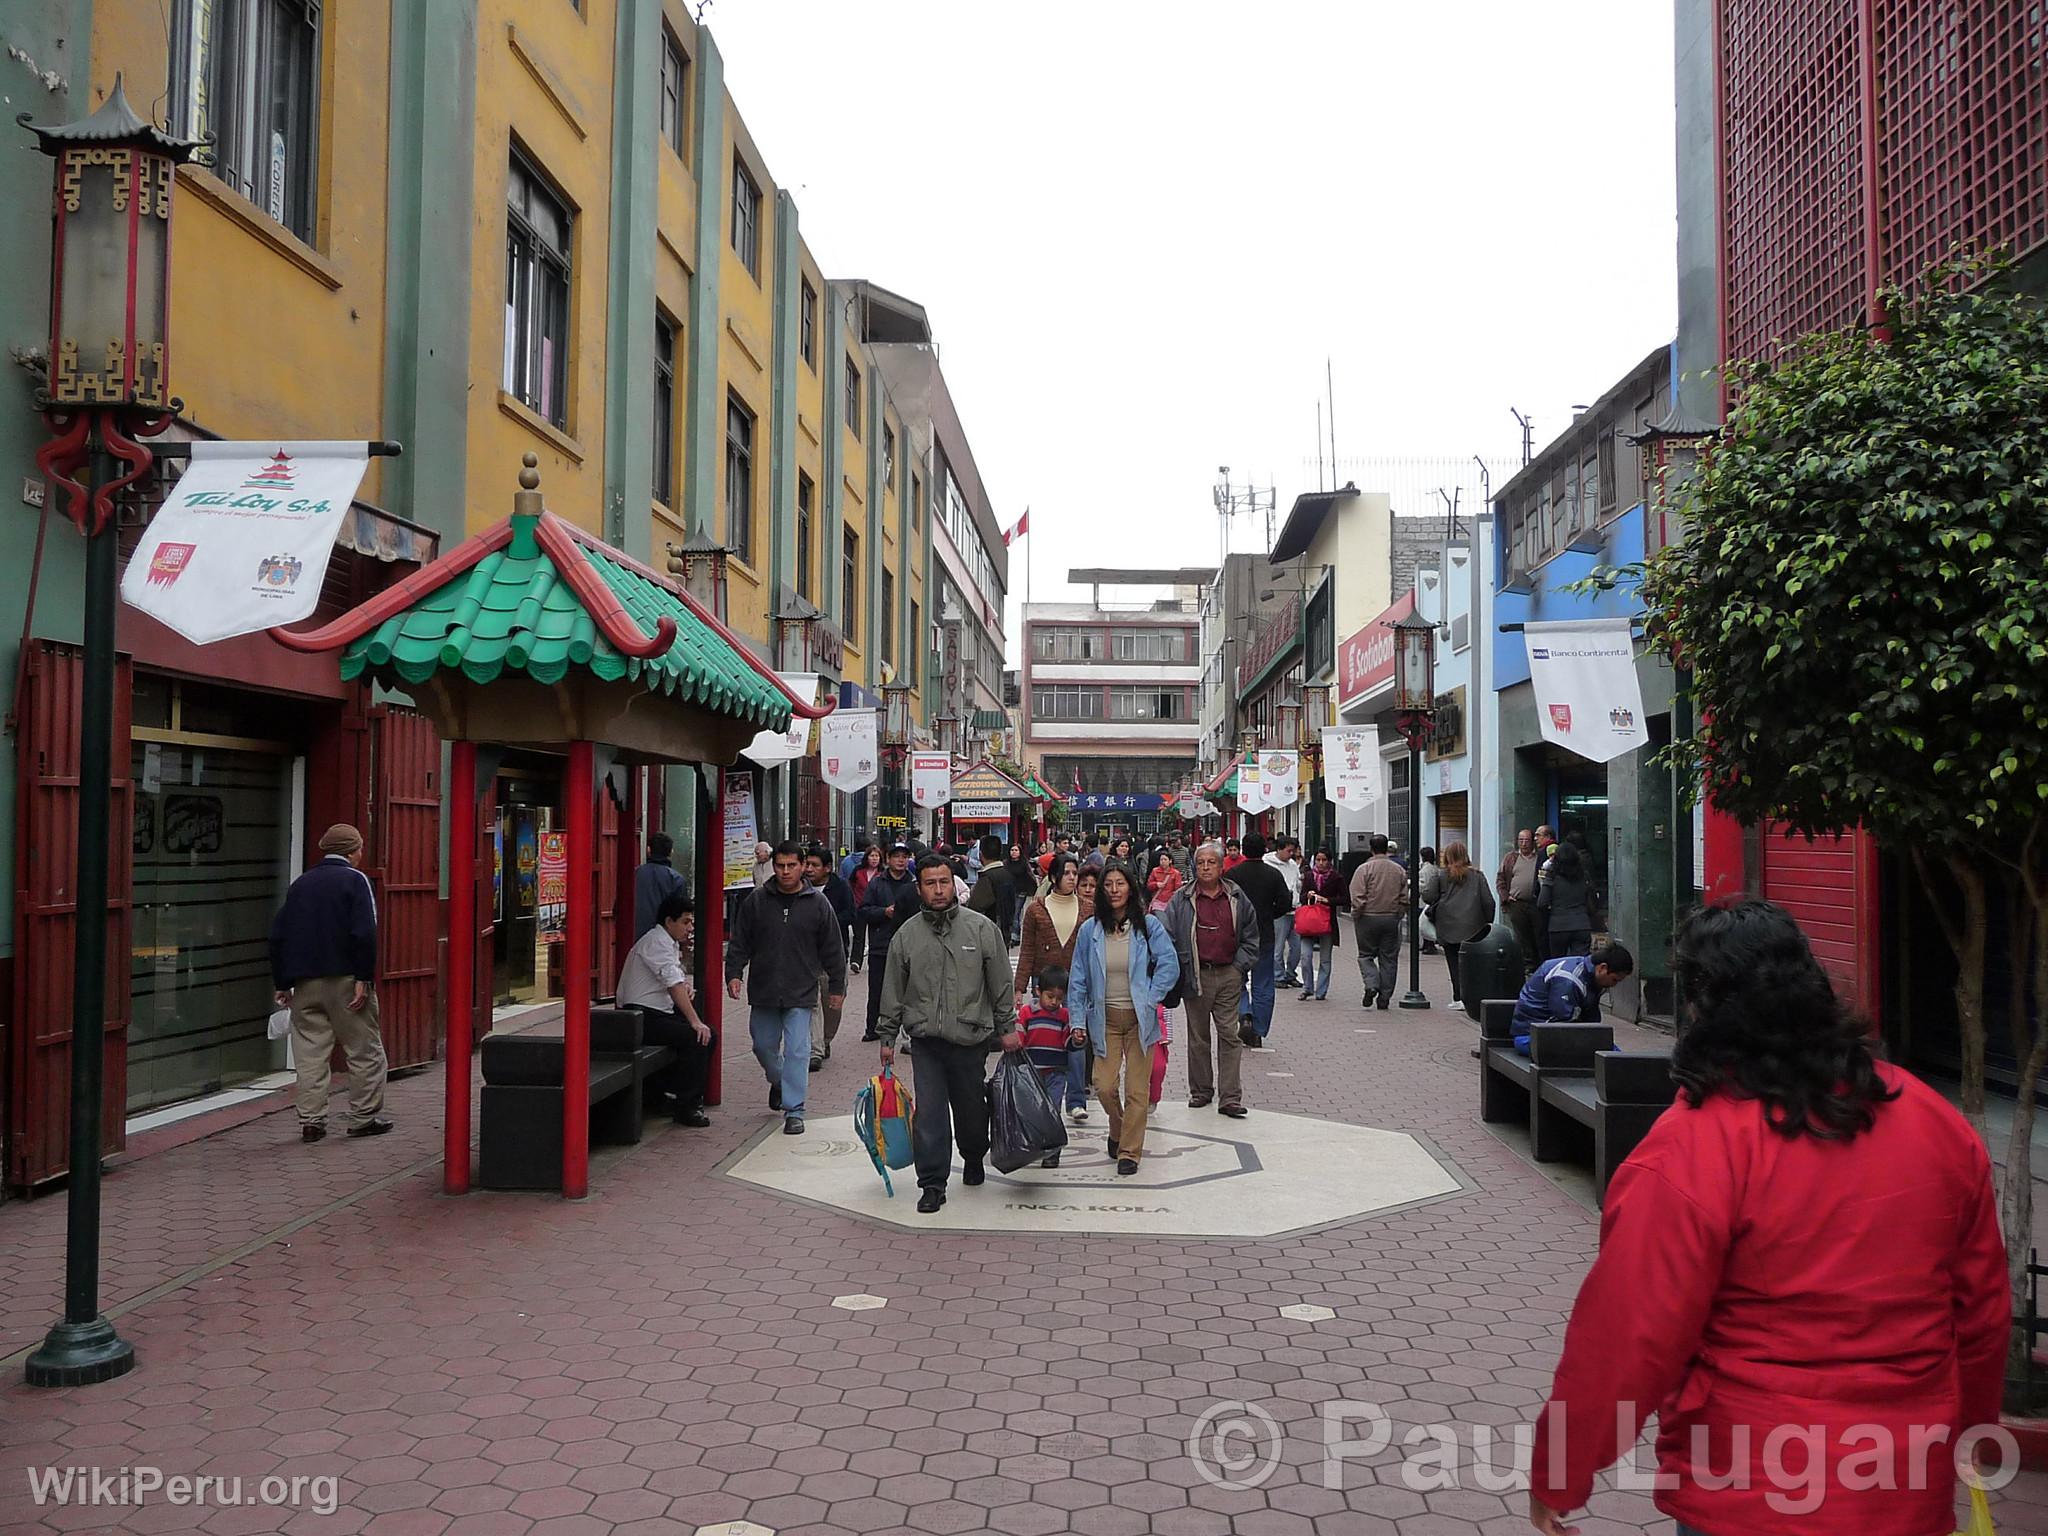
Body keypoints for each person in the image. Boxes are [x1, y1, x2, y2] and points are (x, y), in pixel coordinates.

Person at [1528, 899, 2007, 1536]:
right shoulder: (1932, 1120)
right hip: (1903, 1483)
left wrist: (1561, 1471)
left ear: (1702, 1004)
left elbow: (1627, 1335)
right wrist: (1972, 1435)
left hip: (1751, 1488)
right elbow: (1981, 1313)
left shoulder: (1693, 1148)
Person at [877, 855, 1022, 1214]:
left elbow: (1001, 983)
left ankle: (973, 1155)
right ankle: (932, 1183)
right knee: (929, 1115)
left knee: (971, 1110)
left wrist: (1007, 1028)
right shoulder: (907, 935)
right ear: (919, 888)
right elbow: (893, 989)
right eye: (930, 883)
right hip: (925, 1040)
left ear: (953, 885)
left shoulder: (980, 929)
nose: (938, 890)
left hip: (971, 1038)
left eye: (944, 882)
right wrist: (887, 1037)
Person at [270, 824, 391, 1142]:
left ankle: (312, 1121)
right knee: (364, 1050)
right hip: (346, 980)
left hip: (305, 982)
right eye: (360, 848)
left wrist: (283, 981)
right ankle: (363, 1117)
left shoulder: (301, 884)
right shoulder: (356, 880)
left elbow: (279, 934)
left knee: (310, 1054)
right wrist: (364, 976)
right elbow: (364, 932)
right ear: (353, 850)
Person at [724, 840, 846, 1135]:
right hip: (764, 987)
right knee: (763, 1045)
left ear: (803, 866)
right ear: (773, 866)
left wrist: (837, 988)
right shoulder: (757, 900)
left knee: (798, 1050)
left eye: (792, 866)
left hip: (801, 989)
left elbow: (833, 948)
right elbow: (740, 941)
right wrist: (734, 973)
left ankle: (795, 1109)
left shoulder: (818, 904)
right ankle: (779, 1081)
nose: (786, 871)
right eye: (780, 866)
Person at [1067, 862, 1181, 1174]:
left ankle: (1129, 1151)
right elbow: (1078, 979)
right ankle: (1117, 1129)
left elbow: (1169, 964)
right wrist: (1077, 1020)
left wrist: (1151, 996)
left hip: (1140, 1021)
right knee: (1103, 1086)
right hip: (1104, 1020)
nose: (1115, 890)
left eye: (1120, 884)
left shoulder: (1148, 926)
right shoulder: (1090, 930)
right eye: (1109, 884)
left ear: (1130, 887)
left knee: (1136, 1091)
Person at [1160, 842, 1258, 1117]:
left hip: (1229, 972)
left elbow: (1251, 935)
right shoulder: (1182, 898)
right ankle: (1201, 1091)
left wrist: (1239, 967)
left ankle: (1230, 1097)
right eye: (1200, 862)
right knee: (1198, 1037)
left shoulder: (1236, 896)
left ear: (1221, 865)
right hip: (1196, 973)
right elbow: (1166, 934)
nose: (1205, 867)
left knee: (1229, 1034)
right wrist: (1178, 966)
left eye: (1211, 862)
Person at [615, 890, 714, 1126]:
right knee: (698, 1037)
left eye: (691, 922)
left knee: (706, 1035)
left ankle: (672, 1095)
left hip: (654, 1012)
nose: (690, 928)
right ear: (669, 921)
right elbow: (672, 983)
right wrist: (694, 1021)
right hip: (638, 1016)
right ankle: (687, 1106)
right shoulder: (656, 942)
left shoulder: (666, 942)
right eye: (685, 922)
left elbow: (675, 980)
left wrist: (686, 991)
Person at [1223, 831, 1290, 1046]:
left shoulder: (1232, 875)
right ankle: (1259, 1029)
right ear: (1265, 850)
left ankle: (1244, 1014)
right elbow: (1284, 904)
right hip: (1264, 935)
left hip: (1237, 936)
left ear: (1243, 849)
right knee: (1263, 983)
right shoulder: (1273, 875)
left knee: (1236, 980)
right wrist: (1269, 915)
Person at [1509, 939, 1634, 1052]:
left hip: (1554, 1033)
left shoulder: (1591, 978)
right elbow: (1562, 1024)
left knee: (1614, 1055)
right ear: (1602, 968)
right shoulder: (1568, 979)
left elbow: (1590, 1022)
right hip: (1530, 1036)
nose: (1614, 985)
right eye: (1614, 980)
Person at [1019, 964, 1085, 1160]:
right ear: (1038, 991)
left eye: (1059, 998)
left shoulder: (1065, 1015)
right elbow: (1019, 1036)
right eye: (1050, 996)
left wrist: (1076, 1041)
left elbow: (1067, 1042)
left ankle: (1052, 1152)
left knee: (1052, 1110)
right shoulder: (1027, 1012)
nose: (1054, 1002)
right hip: (1032, 1073)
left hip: (1056, 1073)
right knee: (1032, 1110)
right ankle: (1034, 1144)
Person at [857, 842, 920, 1041]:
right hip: (881, 945)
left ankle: (908, 1029)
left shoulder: (914, 884)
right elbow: (864, 910)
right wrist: (884, 912)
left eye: (904, 856)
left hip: (909, 946)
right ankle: (872, 1028)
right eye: (897, 856)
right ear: (888, 859)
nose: (901, 860)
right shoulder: (877, 883)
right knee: (877, 989)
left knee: (910, 991)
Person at [802, 846, 854, 1071]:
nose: (809, 869)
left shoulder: (840, 887)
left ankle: (826, 1039)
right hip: (806, 955)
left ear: (828, 868)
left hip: (834, 953)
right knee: (811, 1002)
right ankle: (815, 1049)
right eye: (807, 864)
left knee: (832, 1002)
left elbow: (850, 914)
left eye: (815, 865)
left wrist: (826, 923)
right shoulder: (800, 887)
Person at [1015, 854, 1086, 1009]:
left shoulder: (1088, 908)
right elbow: (1027, 950)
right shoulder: (1036, 909)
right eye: (1066, 873)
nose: (1072, 878)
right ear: (1054, 878)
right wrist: (1019, 988)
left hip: (1076, 981)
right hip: (1043, 981)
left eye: (1075, 873)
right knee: (1043, 1028)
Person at [1426, 841, 1494, 1004]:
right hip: (1475, 927)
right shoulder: (1478, 875)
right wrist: (1487, 921)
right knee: (1474, 963)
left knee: (1454, 962)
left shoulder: (1441, 875)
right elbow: (1488, 902)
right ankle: (1474, 996)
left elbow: (1428, 896)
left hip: (1448, 925)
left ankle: (1459, 997)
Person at [1349, 834, 1406, 1010]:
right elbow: (1405, 897)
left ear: (1371, 848)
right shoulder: (1398, 870)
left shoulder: (1364, 869)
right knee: (1389, 959)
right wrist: (1398, 914)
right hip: (1390, 917)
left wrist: (1357, 913)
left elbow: (1357, 895)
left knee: (1366, 955)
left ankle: (1371, 983)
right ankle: (1385, 997)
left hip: (1368, 917)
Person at [1297, 848, 1345, 1002]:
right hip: (1309, 922)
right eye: (1318, 860)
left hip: (1326, 922)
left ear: (1330, 861)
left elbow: (1345, 899)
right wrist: (1308, 895)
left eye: (1324, 860)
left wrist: (1328, 901)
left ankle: (1321, 991)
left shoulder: (1337, 877)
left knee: (1325, 959)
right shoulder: (1309, 877)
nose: (1321, 863)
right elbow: (1302, 897)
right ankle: (1307, 987)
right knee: (1305, 956)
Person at [1539, 840, 1595, 959]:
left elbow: (1542, 903)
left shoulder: (1552, 876)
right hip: (1581, 924)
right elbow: (1592, 900)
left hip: (1558, 925)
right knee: (1580, 963)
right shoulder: (1584, 876)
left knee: (1558, 963)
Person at [632, 831, 690, 940]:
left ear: (649, 850)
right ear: (670, 852)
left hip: (633, 937)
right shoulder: (676, 879)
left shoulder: (634, 875)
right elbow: (681, 916)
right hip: (663, 939)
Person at [1496, 828, 1541, 969]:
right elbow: (1501, 879)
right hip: (1516, 903)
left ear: (1532, 841)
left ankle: (1538, 962)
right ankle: (1526, 964)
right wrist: (1505, 896)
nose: (1524, 843)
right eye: (1521, 840)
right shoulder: (1511, 858)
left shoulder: (1538, 857)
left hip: (1535, 903)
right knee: (1522, 936)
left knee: (1538, 934)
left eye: (1527, 840)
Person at [1265, 835, 1304, 987]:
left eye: (1293, 851)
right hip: (1279, 912)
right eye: (1289, 851)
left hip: (1295, 910)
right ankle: (1278, 975)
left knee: (1297, 947)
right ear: (1279, 849)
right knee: (1278, 947)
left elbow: (1297, 884)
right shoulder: (1268, 864)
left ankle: (1291, 973)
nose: (1291, 854)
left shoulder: (1293, 864)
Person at [847, 844, 882, 972]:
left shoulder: (882, 874)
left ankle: (874, 961)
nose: (874, 859)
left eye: (876, 856)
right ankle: (856, 961)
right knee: (859, 936)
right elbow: (850, 885)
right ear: (867, 857)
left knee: (874, 936)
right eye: (872, 856)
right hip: (859, 907)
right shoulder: (858, 871)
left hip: (875, 909)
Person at [1414, 845, 1442, 954]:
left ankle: (1429, 945)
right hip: (1432, 898)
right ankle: (1427, 944)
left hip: (1424, 899)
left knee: (1424, 922)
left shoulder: (1426, 869)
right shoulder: (1435, 868)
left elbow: (1424, 885)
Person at [1145, 847, 1182, 911]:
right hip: (1157, 900)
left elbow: (1178, 889)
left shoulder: (1176, 873)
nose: (1163, 861)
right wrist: (1156, 884)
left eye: (1165, 859)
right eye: (1161, 860)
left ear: (1170, 861)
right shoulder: (1155, 871)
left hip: (1170, 902)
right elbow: (1149, 885)